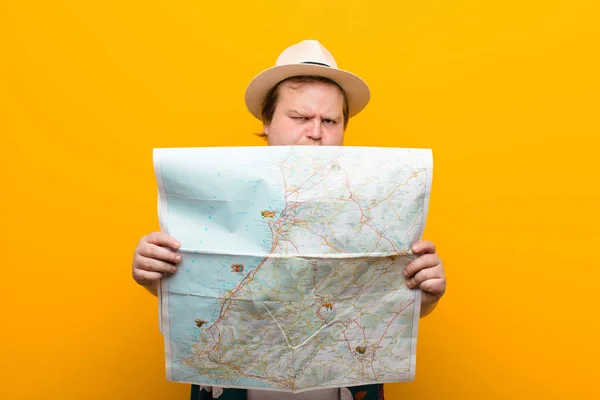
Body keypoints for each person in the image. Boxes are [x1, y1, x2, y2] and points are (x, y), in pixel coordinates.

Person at [132, 40, 447, 400]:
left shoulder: (378, 209)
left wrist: (424, 297)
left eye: (330, 120)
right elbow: (203, 293)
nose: (315, 132)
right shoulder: (217, 199)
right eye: (299, 117)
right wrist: (153, 274)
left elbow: (381, 302)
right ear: (267, 122)